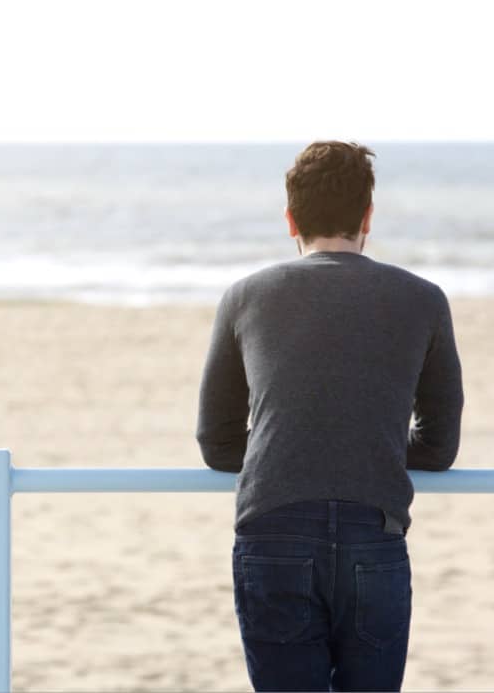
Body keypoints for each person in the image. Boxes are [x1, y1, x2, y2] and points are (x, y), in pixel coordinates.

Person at [195, 140, 464, 692]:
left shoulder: (245, 297)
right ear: (368, 215)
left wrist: (297, 445)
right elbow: (439, 446)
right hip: (375, 533)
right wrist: (364, 443)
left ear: (290, 218)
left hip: (273, 531)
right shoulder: (423, 299)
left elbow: (216, 442)